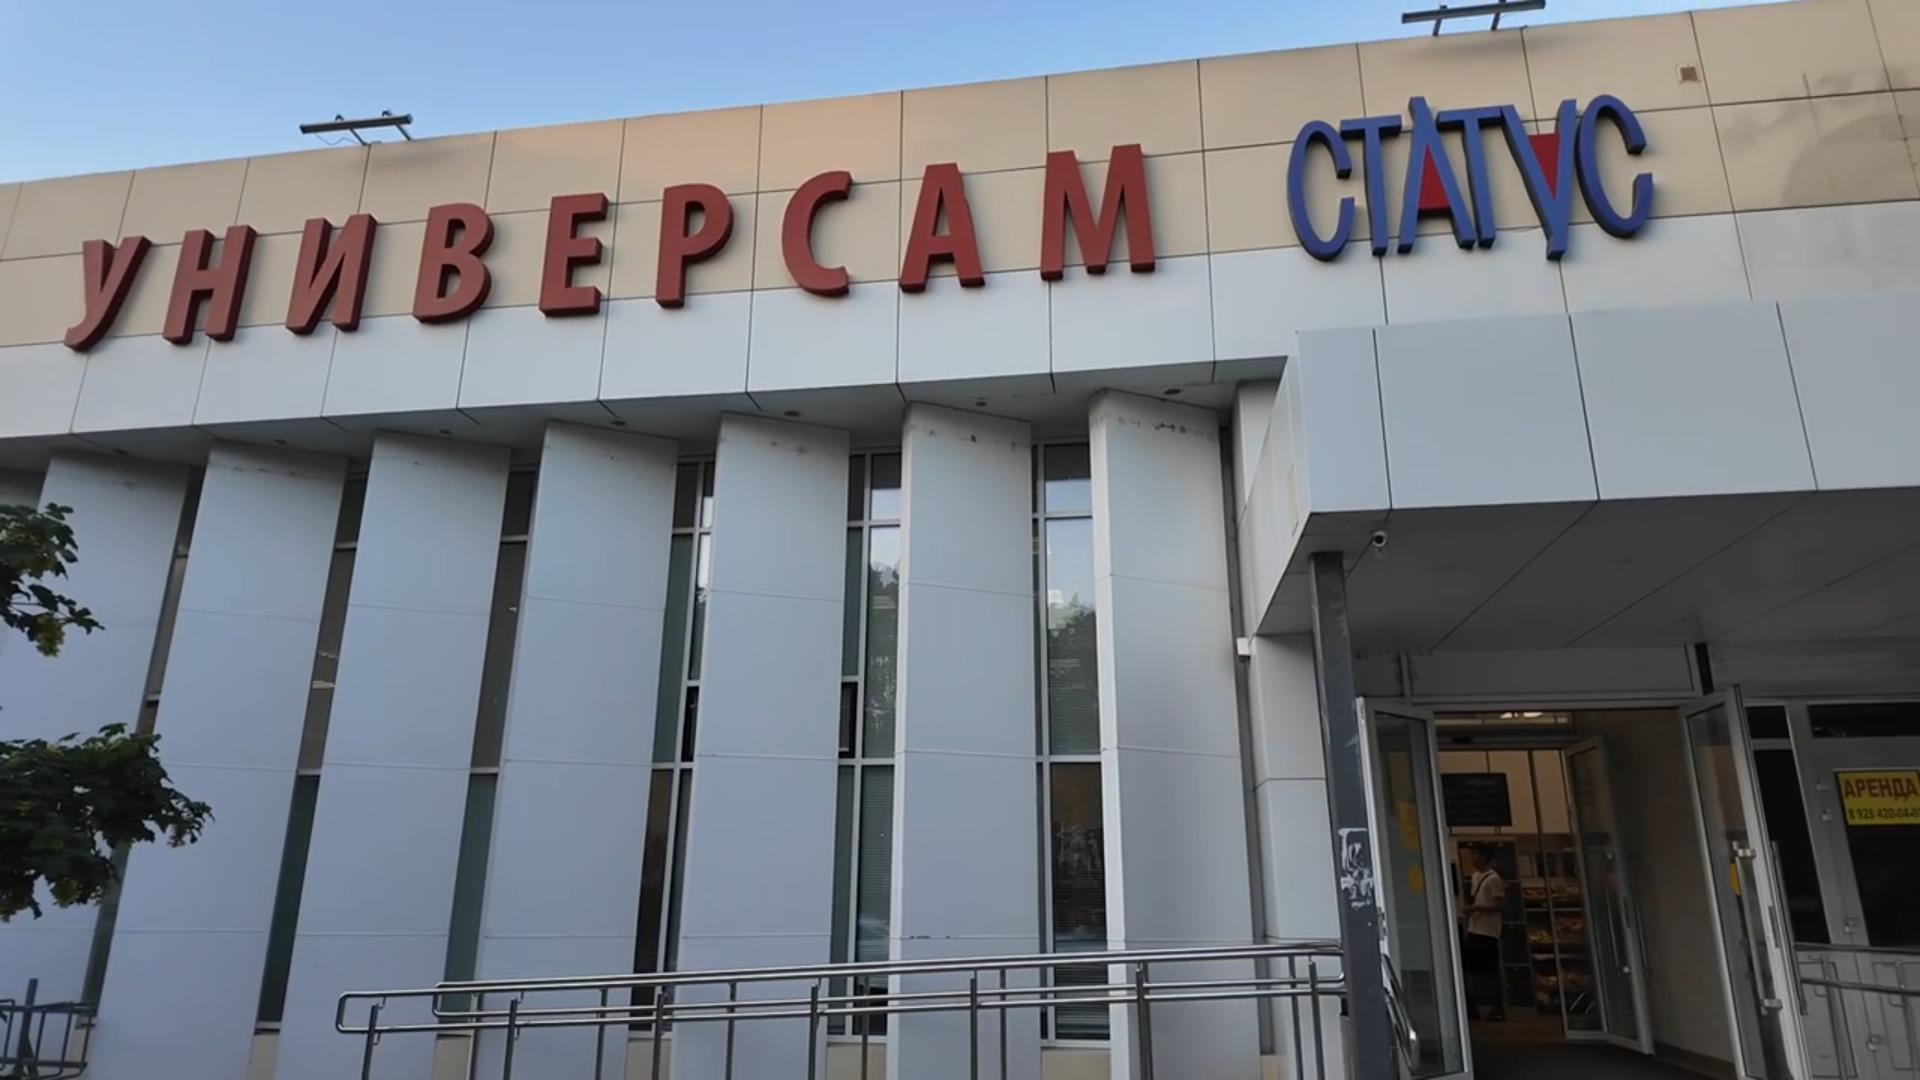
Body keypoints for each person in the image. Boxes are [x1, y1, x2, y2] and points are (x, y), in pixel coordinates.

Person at [1459, 843, 1507, 1021]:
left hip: (1488, 931)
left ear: (1485, 857)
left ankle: (1496, 1006)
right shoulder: (1475, 876)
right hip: (1474, 928)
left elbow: (1500, 905)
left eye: (1476, 854)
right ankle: (1477, 1004)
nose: (1472, 858)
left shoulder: (1494, 879)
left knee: (1490, 970)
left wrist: (1477, 908)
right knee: (1473, 969)